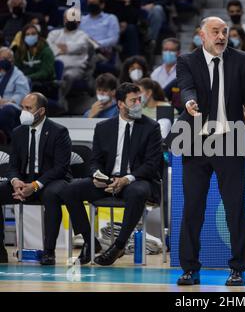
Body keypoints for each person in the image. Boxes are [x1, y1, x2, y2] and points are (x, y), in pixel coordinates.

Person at [174, 16, 245, 286]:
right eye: (215, 31)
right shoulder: (187, 60)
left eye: (224, 32)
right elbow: (186, 86)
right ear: (201, 35)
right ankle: (190, 269)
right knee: (193, 208)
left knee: (234, 208)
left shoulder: (240, 60)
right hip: (196, 141)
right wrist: (190, 102)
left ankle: (238, 268)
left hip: (231, 139)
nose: (221, 36)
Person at [59, 82, 163, 266]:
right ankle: (90, 242)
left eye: (139, 99)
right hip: (108, 180)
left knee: (137, 192)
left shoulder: (151, 127)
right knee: (69, 190)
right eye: (133, 101)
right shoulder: (104, 127)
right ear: (120, 104)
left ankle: (119, 245)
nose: (138, 103)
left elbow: (152, 164)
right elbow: (95, 161)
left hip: (137, 179)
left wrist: (127, 179)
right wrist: (97, 175)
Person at [0, 92, 71, 265]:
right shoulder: (18, 132)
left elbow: (60, 168)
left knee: (51, 195)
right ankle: (0, 249)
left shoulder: (59, 131)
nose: (23, 112)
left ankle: (49, 251)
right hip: (23, 181)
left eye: (28, 108)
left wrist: (35, 185)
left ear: (41, 111)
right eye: (23, 107)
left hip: (49, 181)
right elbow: (13, 166)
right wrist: (15, 181)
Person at [47, 7, 92, 106]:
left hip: (75, 68)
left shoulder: (83, 35)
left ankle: (60, 101)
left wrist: (60, 48)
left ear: (79, 21)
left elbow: (78, 47)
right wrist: (66, 49)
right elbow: (49, 50)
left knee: (68, 75)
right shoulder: (54, 33)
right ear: (64, 19)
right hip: (54, 68)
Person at [13, 23, 55, 95]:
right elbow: (16, 69)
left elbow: (46, 72)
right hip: (24, 81)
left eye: (33, 34)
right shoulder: (20, 51)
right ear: (23, 37)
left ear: (38, 36)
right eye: (28, 34)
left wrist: (28, 77)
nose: (30, 36)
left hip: (44, 83)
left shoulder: (46, 51)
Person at [0, 46, 30, 142]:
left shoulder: (19, 75)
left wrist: (8, 101)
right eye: (2, 58)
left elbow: (23, 94)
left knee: (7, 110)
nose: (4, 61)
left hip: (13, 106)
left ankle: (8, 137)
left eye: (7, 58)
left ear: (12, 60)